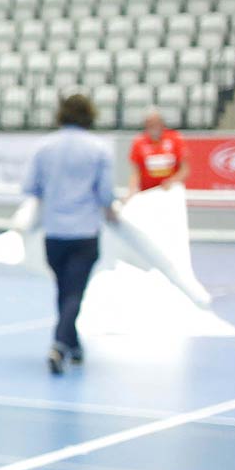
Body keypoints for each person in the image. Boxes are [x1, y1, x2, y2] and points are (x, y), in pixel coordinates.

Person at [23, 93, 119, 375]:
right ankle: (59, 345)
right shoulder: (99, 149)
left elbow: (31, 187)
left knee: (64, 290)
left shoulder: (44, 148)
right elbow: (105, 194)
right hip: (85, 232)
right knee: (74, 292)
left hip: (54, 233)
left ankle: (74, 346)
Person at [129, 108, 187, 192]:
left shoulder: (175, 138)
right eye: (150, 123)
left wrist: (172, 181)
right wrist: (132, 191)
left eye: (156, 123)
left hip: (170, 190)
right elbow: (136, 172)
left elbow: (185, 169)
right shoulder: (139, 142)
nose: (154, 126)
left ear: (162, 123)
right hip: (148, 192)